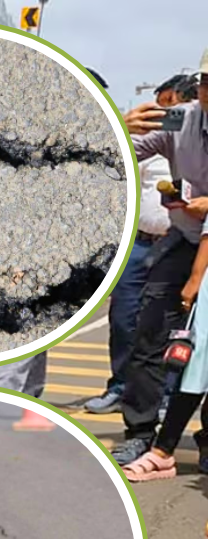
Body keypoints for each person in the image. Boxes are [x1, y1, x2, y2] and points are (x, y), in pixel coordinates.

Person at [109, 59, 208, 467]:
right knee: (148, 331)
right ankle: (141, 432)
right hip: (186, 239)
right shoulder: (180, 120)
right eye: (207, 83)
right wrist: (118, 126)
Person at [86, 74, 195, 414]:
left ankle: (164, 396)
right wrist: (119, 126)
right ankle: (121, 386)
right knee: (123, 319)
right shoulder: (154, 136)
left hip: (184, 244)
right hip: (139, 242)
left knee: (173, 328)